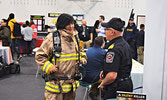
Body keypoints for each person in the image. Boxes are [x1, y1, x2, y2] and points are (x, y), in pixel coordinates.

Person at [35, 13, 87, 100]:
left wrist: (82, 58)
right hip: (55, 87)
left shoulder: (75, 37)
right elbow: (39, 55)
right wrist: (49, 67)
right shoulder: (52, 38)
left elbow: (80, 51)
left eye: (72, 23)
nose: (71, 26)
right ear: (62, 25)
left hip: (71, 86)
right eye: (68, 24)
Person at [99, 17, 133, 99]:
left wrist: (102, 83)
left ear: (112, 32)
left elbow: (112, 75)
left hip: (116, 87)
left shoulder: (114, 49)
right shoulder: (124, 44)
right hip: (126, 83)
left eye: (106, 29)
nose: (104, 32)